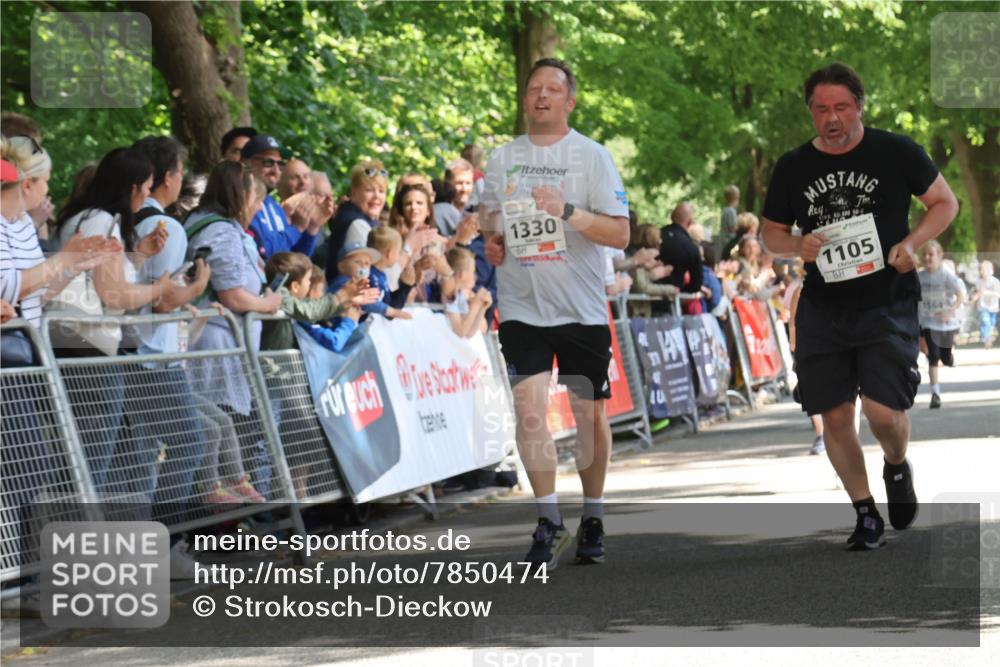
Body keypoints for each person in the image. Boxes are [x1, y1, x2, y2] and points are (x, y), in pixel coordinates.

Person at [760, 63, 958, 550]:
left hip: (886, 300)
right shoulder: (793, 167)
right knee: (834, 417)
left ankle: (895, 464)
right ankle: (865, 511)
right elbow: (771, 234)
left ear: (859, 107)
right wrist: (796, 246)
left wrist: (912, 243)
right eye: (821, 109)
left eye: (841, 108)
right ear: (810, 111)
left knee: (883, 414)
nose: (832, 118)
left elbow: (944, 203)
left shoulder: (895, 151)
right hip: (824, 306)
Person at [481, 58, 629, 568]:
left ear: (570, 101)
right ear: (524, 99)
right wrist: (493, 247)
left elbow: (620, 233)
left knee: (589, 414)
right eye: (533, 89)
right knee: (528, 407)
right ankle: (547, 519)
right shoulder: (501, 160)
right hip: (522, 308)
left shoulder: (592, 157)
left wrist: (566, 211)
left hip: (581, 308)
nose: (541, 96)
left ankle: (592, 514)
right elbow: (490, 227)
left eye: (552, 90)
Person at [184, 161, 282, 501]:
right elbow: (232, 293)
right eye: (256, 199)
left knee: (219, 426)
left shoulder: (220, 227)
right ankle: (211, 499)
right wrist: (267, 304)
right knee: (212, 426)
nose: (258, 207)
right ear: (240, 196)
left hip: (222, 340)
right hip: (215, 342)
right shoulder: (220, 231)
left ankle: (229, 488)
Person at [242, 135, 327, 259]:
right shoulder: (240, 202)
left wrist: (312, 227)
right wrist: (296, 228)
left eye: (280, 164)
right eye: (268, 162)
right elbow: (261, 251)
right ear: (246, 163)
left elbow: (295, 259)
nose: (276, 171)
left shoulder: (274, 206)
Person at [917, 240, 966, 409]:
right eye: (924, 254)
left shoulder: (947, 276)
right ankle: (935, 394)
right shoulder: (919, 277)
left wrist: (950, 311)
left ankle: (949, 355)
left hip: (947, 324)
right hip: (928, 323)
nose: (927, 257)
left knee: (945, 358)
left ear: (940, 255)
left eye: (931, 254)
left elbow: (960, 296)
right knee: (933, 357)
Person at [324, 160, 389, 284]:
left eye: (381, 191)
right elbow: (362, 278)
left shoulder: (355, 216)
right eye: (369, 190)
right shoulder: (358, 225)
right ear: (354, 192)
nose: (377, 196)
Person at [658, 201, 704, 314]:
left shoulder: (657, 235)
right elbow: (696, 283)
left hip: (646, 296)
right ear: (689, 222)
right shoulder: (690, 247)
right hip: (672, 301)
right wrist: (682, 289)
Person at [444, 247, 492, 338]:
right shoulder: (450, 295)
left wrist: (482, 308)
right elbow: (460, 332)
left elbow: (474, 332)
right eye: (473, 271)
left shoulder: (463, 294)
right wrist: (475, 306)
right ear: (463, 274)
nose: (475, 276)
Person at [972, 260, 1000, 348]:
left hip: (993, 306)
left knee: (992, 323)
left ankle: (988, 337)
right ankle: (986, 339)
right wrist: (973, 300)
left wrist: (987, 292)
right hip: (983, 306)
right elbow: (977, 294)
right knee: (985, 321)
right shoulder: (979, 282)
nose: (984, 273)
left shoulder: (996, 282)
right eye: (982, 270)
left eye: (986, 270)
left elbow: (998, 294)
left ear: (991, 271)